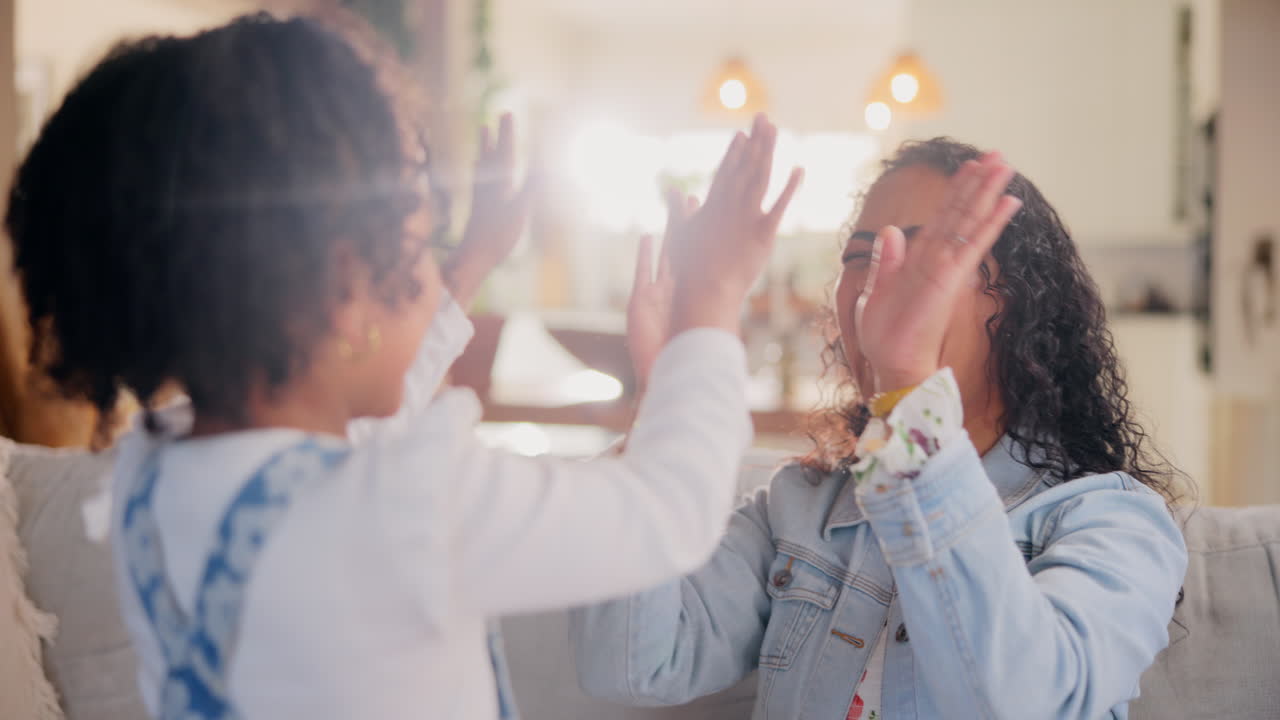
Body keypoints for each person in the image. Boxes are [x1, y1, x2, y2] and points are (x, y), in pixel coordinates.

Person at [4, 13, 805, 720]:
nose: (433, 278)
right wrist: (712, 302)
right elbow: (667, 514)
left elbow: (343, 437)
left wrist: (463, 272)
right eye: (421, 253)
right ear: (349, 292)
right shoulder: (409, 505)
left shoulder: (153, 470)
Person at [571, 138, 1189, 719]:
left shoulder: (1110, 523)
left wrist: (909, 391)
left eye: (919, 256)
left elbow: (1017, 701)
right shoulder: (800, 509)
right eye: (859, 256)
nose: (874, 286)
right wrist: (666, 405)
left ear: (1010, 300)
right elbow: (633, 664)